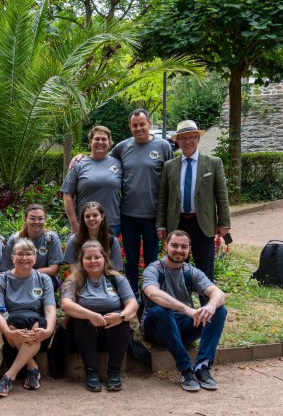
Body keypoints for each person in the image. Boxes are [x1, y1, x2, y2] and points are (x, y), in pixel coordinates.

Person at [71, 109, 174, 293]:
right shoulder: (123, 147)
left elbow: (171, 177)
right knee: (131, 262)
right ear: (130, 127)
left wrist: (167, 216)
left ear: (149, 123)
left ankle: (150, 298)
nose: (138, 128)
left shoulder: (164, 146)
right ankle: (131, 296)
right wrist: (79, 156)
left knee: (152, 262)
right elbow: (100, 158)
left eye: (142, 124)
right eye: (134, 125)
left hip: (153, 215)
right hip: (127, 216)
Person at [141, 230, 227, 392]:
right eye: (174, 245)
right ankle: (186, 369)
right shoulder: (154, 269)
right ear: (166, 246)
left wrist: (210, 305)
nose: (179, 250)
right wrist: (186, 309)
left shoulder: (191, 271)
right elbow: (152, 293)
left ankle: (202, 366)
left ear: (189, 249)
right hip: (157, 327)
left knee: (219, 310)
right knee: (162, 310)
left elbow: (218, 293)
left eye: (183, 247)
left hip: (184, 328)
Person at [156, 120, 230, 282]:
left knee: (205, 271)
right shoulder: (170, 166)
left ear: (198, 139)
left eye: (191, 137)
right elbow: (163, 198)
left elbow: (221, 195)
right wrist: (161, 224)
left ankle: (208, 306)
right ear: (177, 141)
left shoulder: (213, 163)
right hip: (177, 223)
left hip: (202, 223)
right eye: (183, 138)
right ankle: (182, 306)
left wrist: (224, 222)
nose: (187, 141)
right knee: (178, 271)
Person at [61, 241, 137, 392]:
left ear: (104, 259)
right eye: (88, 258)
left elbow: (133, 305)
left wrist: (121, 316)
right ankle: (92, 372)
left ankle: (114, 373)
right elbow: (66, 304)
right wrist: (89, 314)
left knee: (121, 321)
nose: (93, 261)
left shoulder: (117, 279)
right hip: (84, 334)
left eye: (97, 257)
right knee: (82, 320)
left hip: (112, 331)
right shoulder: (74, 280)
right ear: (82, 260)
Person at [0, 238, 56, 397]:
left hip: (37, 328)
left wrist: (48, 330)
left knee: (37, 323)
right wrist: (8, 332)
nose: (24, 258)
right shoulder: (2, 279)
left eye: (28, 254)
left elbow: (50, 309)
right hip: (12, 328)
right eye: (20, 254)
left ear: (35, 257)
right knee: (16, 321)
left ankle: (8, 377)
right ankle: (32, 368)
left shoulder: (43, 279)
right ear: (12, 257)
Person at [61, 125, 123, 237]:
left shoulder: (119, 163)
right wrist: (74, 223)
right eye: (97, 139)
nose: (100, 142)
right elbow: (67, 195)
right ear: (90, 142)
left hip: (112, 223)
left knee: (108, 254)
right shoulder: (79, 164)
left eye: (104, 139)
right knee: (85, 254)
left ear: (109, 142)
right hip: (85, 223)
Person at [0, 204, 64, 285]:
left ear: (45, 220)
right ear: (25, 219)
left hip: (43, 280)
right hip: (17, 280)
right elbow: (5, 269)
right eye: (32, 218)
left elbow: (53, 269)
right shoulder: (15, 239)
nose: (37, 222)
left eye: (40, 219)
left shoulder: (51, 238)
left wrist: (27, 274)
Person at [63, 202, 123, 271]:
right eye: (87, 216)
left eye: (95, 215)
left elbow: (115, 269)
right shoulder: (74, 239)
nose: (91, 218)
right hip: (81, 279)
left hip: (106, 279)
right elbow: (73, 268)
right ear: (83, 219)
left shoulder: (112, 241)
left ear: (102, 217)